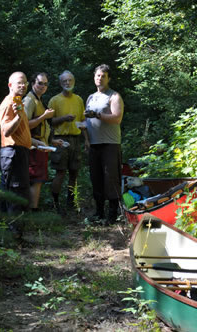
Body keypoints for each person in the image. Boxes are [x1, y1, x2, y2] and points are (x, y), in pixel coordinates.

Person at [84, 64, 124, 224]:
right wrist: (86, 139)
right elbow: (86, 120)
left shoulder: (114, 96)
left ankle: (113, 214)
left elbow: (117, 118)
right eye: (97, 76)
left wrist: (98, 115)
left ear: (109, 78)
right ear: (94, 77)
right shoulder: (91, 97)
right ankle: (99, 212)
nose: (99, 78)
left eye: (103, 76)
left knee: (110, 178)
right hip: (94, 144)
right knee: (96, 178)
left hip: (110, 144)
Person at [23, 72, 64, 212]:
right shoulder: (29, 100)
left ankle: (32, 209)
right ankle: (31, 210)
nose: (43, 86)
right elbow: (25, 125)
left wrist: (51, 140)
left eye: (45, 84)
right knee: (35, 179)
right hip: (33, 146)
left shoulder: (38, 100)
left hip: (41, 145)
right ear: (33, 83)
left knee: (38, 179)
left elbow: (41, 128)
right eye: (40, 83)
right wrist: (44, 116)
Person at [0, 71, 32, 237]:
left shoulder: (18, 103)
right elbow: (6, 131)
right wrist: (18, 116)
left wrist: (35, 143)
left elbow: (21, 132)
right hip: (12, 153)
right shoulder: (9, 103)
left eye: (25, 82)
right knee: (15, 195)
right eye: (19, 83)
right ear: (10, 85)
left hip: (19, 152)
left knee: (17, 193)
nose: (23, 85)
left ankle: (14, 235)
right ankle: (14, 236)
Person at [48, 70, 86, 215]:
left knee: (74, 173)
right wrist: (63, 118)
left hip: (76, 139)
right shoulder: (54, 100)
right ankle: (55, 203)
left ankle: (71, 203)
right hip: (60, 140)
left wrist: (87, 140)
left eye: (69, 80)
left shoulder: (79, 99)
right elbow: (49, 121)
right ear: (60, 83)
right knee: (60, 173)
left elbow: (83, 122)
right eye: (64, 81)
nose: (67, 83)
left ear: (74, 81)